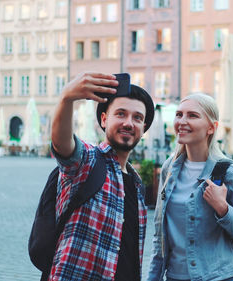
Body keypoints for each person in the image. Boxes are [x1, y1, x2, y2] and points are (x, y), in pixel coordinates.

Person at [50, 71, 154, 280]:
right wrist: (66, 98)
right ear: (104, 120)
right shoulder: (87, 160)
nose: (128, 123)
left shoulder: (137, 184)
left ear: (143, 129)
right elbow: (62, 144)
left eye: (137, 118)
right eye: (121, 114)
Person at [147, 93, 233, 281]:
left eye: (192, 115)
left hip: (219, 277)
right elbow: (159, 234)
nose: (182, 121)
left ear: (211, 127)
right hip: (174, 277)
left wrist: (224, 210)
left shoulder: (232, 174)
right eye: (179, 114)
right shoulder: (169, 168)